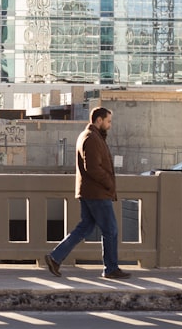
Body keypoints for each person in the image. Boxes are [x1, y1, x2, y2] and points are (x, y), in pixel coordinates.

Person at [43, 106, 130, 280]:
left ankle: (55, 257)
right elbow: (93, 168)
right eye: (108, 121)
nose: (110, 125)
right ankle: (111, 268)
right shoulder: (91, 138)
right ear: (99, 120)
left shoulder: (92, 136)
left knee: (85, 227)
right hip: (97, 192)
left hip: (90, 191)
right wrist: (109, 183)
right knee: (110, 230)